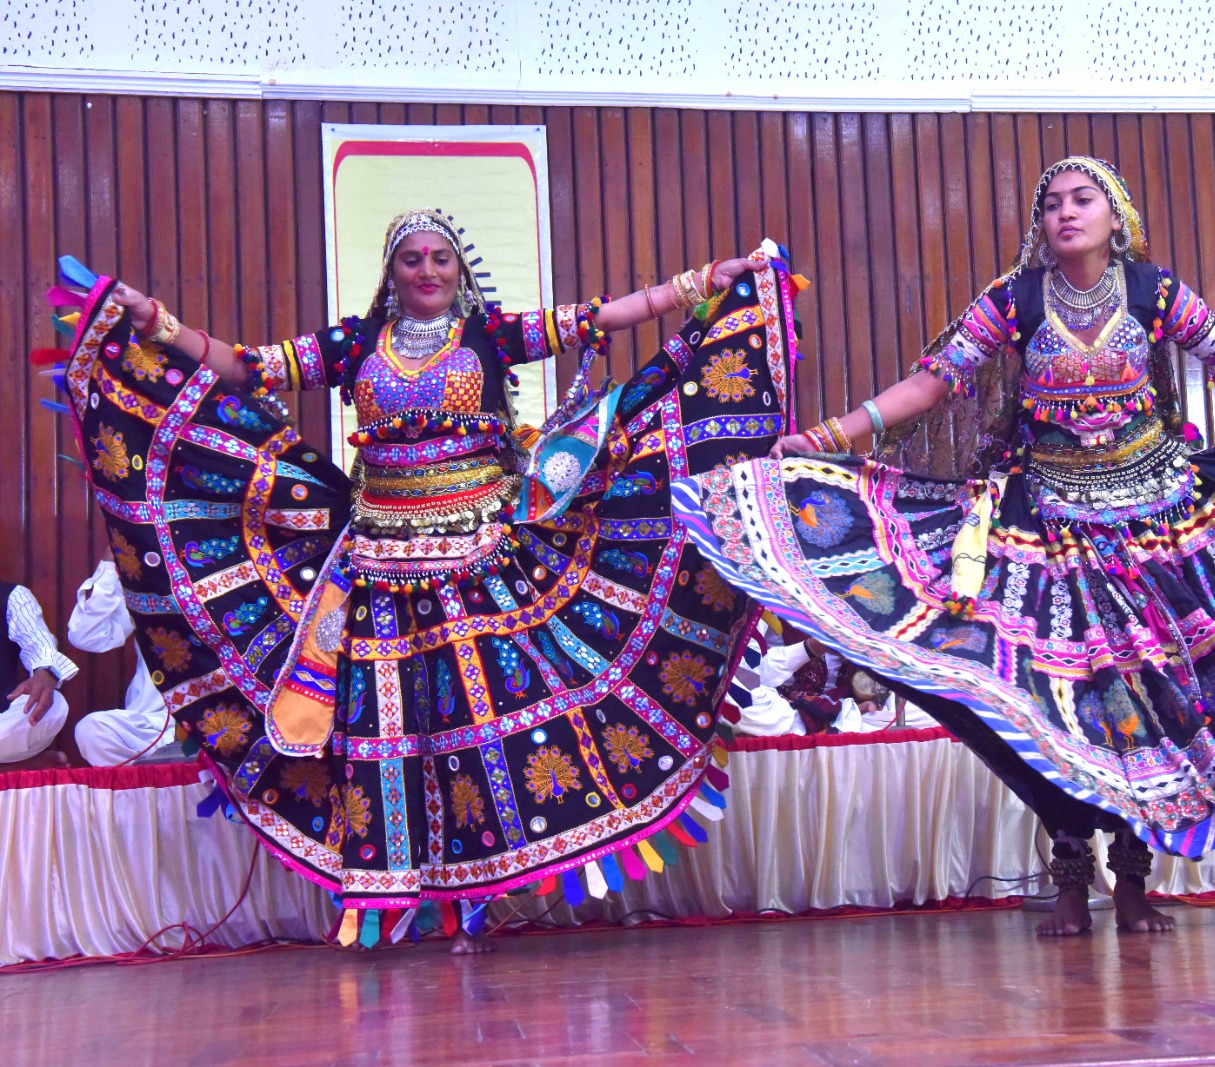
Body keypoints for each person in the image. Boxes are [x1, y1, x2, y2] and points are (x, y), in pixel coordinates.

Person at [674, 157, 1215, 938]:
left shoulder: (1152, 292)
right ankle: (1072, 874)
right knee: (1064, 708)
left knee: (1153, 701)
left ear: (1117, 216)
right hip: (1046, 528)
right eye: (1052, 203)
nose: (1064, 213)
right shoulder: (1014, 302)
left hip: (1161, 521)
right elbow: (933, 383)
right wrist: (825, 438)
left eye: (1081, 200)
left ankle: (1134, 877)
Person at [48, 210, 801, 953]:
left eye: (441, 257)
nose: (429, 271)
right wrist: (155, 320)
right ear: (392, 271)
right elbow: (250, 366)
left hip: (481, 558)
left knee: (485, 730)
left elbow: (598, 317)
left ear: (458, 268)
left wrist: (701, 284)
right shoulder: (355, 343)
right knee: (391, 733)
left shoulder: (490, 334)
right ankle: (394, 891)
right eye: (413, 259)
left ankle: (476, 897)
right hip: (377, 568)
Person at [68, 553, 177, 765]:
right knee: (93, 731)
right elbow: (87, 636)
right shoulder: (146, 574)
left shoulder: (244, 574)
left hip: (226, 725)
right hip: (154, 728)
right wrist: (110, 562)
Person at [0, 581, 78, 769]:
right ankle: (10, 769)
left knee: (53, 705)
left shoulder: (13, 596)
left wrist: (45, 672)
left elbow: (38, 644)